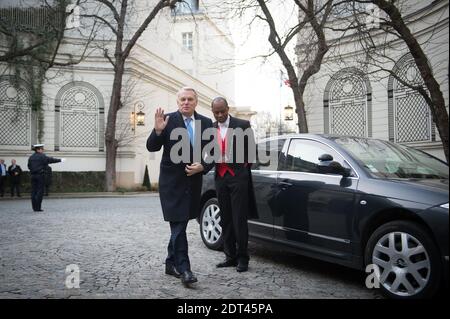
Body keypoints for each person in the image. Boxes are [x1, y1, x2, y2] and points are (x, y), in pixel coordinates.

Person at [146, 87, 213, 287]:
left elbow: (213, 153)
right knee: (179, 225)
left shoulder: (206, 123)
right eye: (182, 99)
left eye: (190, 99)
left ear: (196, 101)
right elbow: (152, 147)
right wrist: (158, 131)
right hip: (171, 184)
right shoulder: (167, 120)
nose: (186, 102)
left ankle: (170, 263)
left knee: (180, 224)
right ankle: (184, 269)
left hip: (193, 184)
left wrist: (203, 166)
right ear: (177, 102)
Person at [211, 97, 258, 273]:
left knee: (239, 219)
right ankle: (230, 257)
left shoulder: (243, 124)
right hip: (220, 178)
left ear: (228, 108)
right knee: (226, 219)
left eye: (223, 111)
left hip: (238, 178)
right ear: (213, 111)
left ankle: (243, 258)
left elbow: (251, 152)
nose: (220, 114)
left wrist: (242, 172)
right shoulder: (211, 128)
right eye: (217, 112)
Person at [27, 144, 64, 212]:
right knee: (39, 192)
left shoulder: (31, 157)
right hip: (40, 175)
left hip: (33, 176)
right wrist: (60, 160)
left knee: (33, 192)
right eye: (41, 149)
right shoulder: (42, 156)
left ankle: (34, 207)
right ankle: (38, 208)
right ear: (38, 149)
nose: (43, 150)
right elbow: (50, 160)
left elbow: (29, 166)